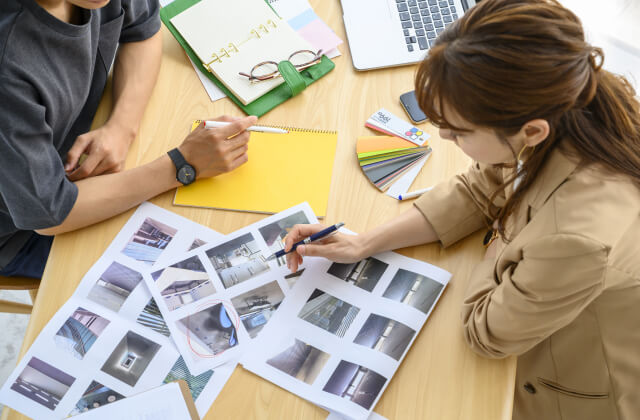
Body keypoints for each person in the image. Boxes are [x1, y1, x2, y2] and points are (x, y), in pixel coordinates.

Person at [284, 1, 640, 419]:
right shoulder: (568, 106)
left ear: (531, 130)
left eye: (458, 132)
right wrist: (365, 242)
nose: (444, 137)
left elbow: (486, 333)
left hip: (574, 384)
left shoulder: (578, 237)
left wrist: (499, 235)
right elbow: (482, 186)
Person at [0, 0, 255, 278]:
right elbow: (50, 214)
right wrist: (181, 166)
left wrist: (121, 127)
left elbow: (144, 28)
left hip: (75, 170)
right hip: (21, 232)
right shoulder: (8, 65)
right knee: (198, 272)